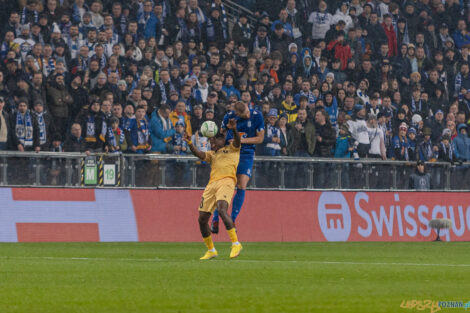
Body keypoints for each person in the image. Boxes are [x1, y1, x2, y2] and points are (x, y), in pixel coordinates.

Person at [184, 118, 242, 260]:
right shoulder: (212, 155)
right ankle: (211, 250)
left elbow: (238, 141)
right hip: (211, 185)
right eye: (210, 142)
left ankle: (236, 243)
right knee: (202, 219)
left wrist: (234, 129)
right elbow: (199, 154)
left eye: (215, 141)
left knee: (222, 210)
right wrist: (190, 143)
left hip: (227, 181)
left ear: (223, 140)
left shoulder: (232, 149)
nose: (212, 143)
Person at [211, 101, 264, 234]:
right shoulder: (229, 117)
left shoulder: (257, 115)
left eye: (247, 111)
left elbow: (260, 139)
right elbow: (221, 135)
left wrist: (241, 141)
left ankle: (232, 219)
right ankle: (215, 219)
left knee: (241, 185)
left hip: (246, 153)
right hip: (230, 153)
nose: (247, 115)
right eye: (244, 114)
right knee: (225, 185)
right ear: (237, 113)